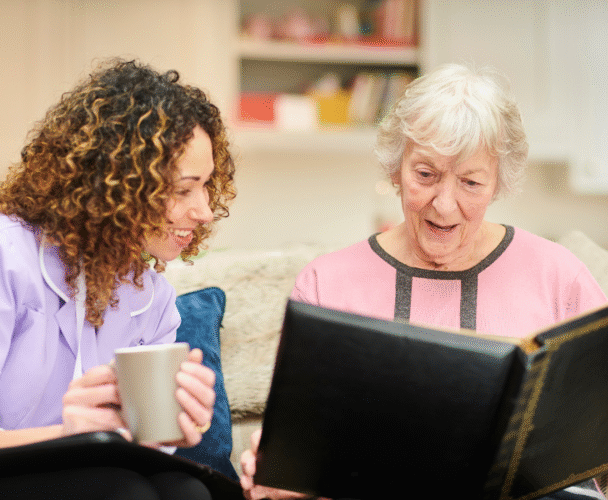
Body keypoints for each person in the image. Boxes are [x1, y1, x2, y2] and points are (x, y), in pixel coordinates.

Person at [240, 63, 608, 500]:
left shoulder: (558, 275)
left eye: (471, 182)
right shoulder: (326, 284)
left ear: (498, 183)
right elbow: (299, 450)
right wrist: (280, 478)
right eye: (425, 175)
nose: (445, 205)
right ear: (396, 168)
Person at [0, 58, 236, 499]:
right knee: (122, 490)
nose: (204, 210)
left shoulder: (153, 296)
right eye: (184, 189)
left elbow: (146, 445)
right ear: (120, 183)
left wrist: (174, 425)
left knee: (188, 490)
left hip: (91, 474)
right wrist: (65, 434)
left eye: (207, 186)